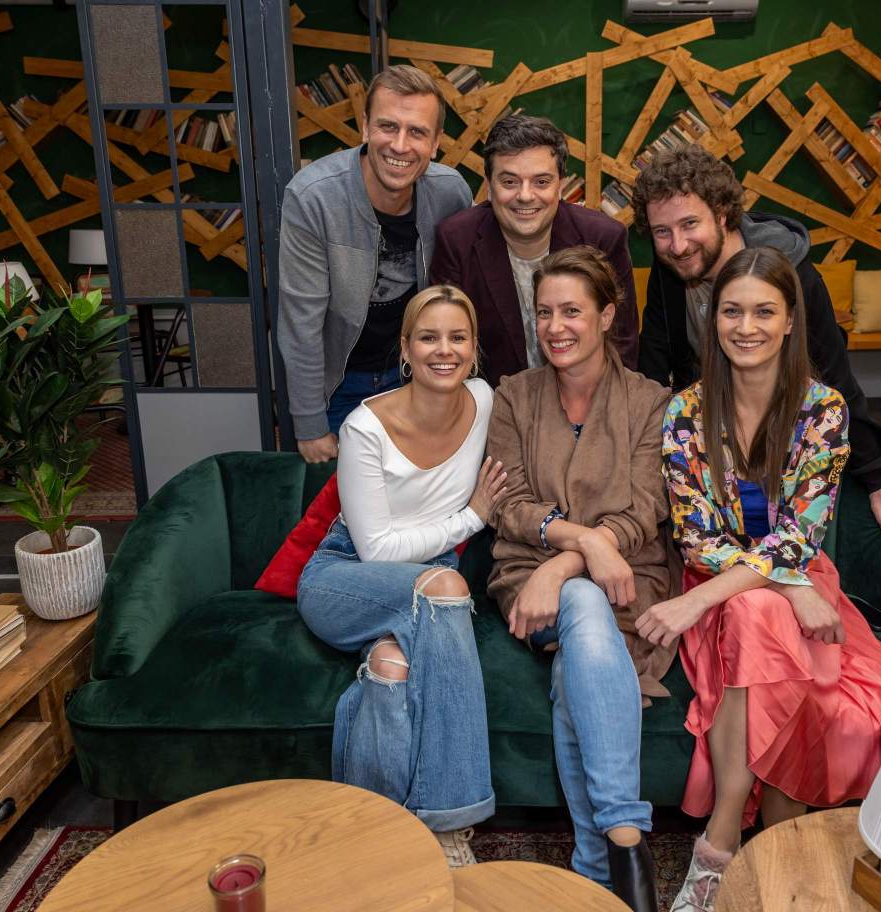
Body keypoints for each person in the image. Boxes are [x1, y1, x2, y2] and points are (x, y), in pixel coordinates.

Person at [637, 247, 881, 912]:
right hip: (729, 580)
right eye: (732, 311)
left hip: (766, 583)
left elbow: (800, 534)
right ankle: (765, 850)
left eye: (764, 312)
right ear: (713, 320)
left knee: (757, 618)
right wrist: (786, 588)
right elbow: (698, 537)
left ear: (790, 320)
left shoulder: (824, 410)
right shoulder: (684, 412)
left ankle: (722, 847)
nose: (746, 327)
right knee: (753, 612)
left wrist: (724, 596)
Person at [296, 285, 507, 868]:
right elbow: (377, 549)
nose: (445, 350)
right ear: (407, 349)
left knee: (390, 670)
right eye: (429, 338)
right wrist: (472, 518)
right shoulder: (365, 426)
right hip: (346, 577)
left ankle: (373, 828)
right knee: (447, 588)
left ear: (474, 349)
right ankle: (452, 822)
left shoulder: (484, 400)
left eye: (458, 338)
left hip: (425, 581)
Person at [486, 246, 668, 912]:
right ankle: (627, 840)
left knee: (577, 662)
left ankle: (597, 865)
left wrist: (569, 561)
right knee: (585, 603)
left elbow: (646, 509)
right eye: (544, 313)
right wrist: (582, 541)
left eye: (571, 311)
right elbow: (508, 504)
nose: (555, 327)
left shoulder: (650, 402)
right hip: (526, 577)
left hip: (626, 579)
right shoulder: (513, 396)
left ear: (607, 315)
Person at [631, 145, 881, 532]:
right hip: (707, 437)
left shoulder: (790, 273)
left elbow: (832, 369)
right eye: (662, 232)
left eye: (690, 224)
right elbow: (655, 360)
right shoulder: (673, 266)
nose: (677, 245)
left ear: (721, 213)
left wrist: (877, 473)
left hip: (783, 447)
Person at [279, 64, 471, 463]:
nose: (400, 145)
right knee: (336, 500)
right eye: (388, 126)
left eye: (417, 132)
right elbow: (301, 322)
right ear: (365, 127)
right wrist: (310, 424)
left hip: (415, 378)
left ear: (436, 142)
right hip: (339, 385)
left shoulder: (451, 194)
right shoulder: (314, 197)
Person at [431, 115, 639, 385]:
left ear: (561, 185)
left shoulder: (602, 238)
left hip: (586, 396)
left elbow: (621, 346)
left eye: (541, 182)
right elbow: (446, 347)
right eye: (509, 182)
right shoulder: (456, 240)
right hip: (491, 399)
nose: (525, 196)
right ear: (489, 185)